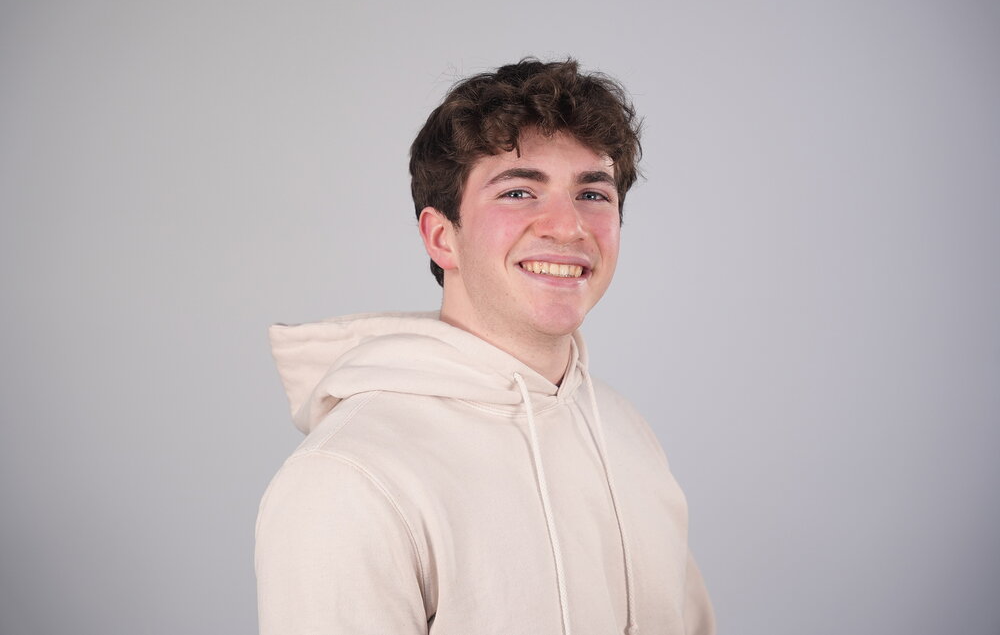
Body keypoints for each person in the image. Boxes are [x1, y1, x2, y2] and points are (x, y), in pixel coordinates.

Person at [255, 58, 715, 635]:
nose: (568, 227)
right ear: (442, 236)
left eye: (593, 194)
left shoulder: (626, 435)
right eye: (520, 191)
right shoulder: (350, 478)